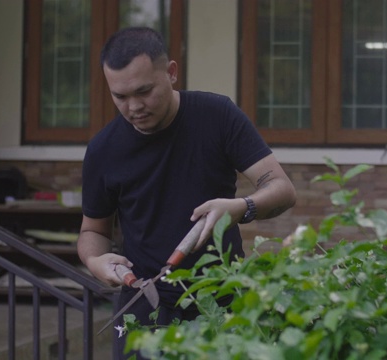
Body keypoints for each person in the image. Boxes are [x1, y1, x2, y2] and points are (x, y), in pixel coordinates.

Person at [77, 27, 297, 358]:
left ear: (171, 73)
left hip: (221, 302)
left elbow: (282, 189)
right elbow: (92, 230)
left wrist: (241, 207)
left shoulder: (218, 115)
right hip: (143, 306)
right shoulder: (102, 150)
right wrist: (96, 261)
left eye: (144, 91)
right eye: (120, 96)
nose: (134, 107)